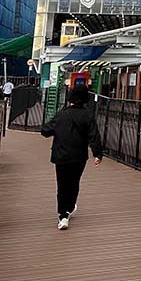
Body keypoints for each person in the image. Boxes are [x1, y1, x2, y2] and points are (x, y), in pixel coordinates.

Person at [40, 86, 103, 230]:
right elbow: (94, 136)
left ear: (70, 99)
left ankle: (63, 216)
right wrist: (97, 154)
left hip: (61, 155)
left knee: (62, 184)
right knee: (74, 182)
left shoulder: (62, 115)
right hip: (79, 156)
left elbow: (45, 131)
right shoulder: (88, 115)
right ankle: (70, 207)